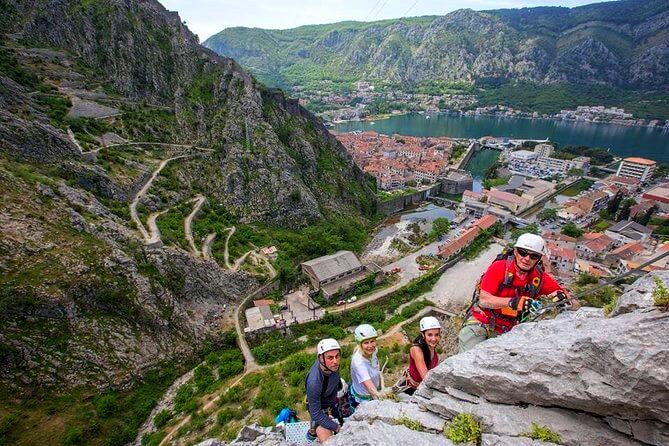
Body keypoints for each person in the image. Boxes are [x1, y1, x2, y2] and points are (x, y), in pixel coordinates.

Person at [458, 233, 581, 353]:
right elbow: (484, 300)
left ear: (538, 259)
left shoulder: (539, 278)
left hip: (507, 330)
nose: (526, 259)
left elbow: (576, 305)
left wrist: (565, 301)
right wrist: (513, 302)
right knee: (466, 360)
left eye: (533, 256)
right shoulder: (499, 268)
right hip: (481, 323)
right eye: (523, 253)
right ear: (516, 252)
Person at [305, 338, 342, 442]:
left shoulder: (331, 366)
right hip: (319, 410)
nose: (335, 361)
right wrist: (337, 427)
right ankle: (312, 433)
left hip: (331, 400)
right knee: (328, 441)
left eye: (337, 356)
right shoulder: (314, 381)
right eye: (330, 357)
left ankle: (312, 431)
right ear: (321, 358)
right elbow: (316, 414)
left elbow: (333, 378)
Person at [405, 316, 441, 395]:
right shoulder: (417, 350)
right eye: (430, 335)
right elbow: (426, 378)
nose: (434, 338)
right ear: (423, 334)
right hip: (412, 390)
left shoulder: (432, 347)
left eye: (436, 334)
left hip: (423, 388)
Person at [350, 324, 381, 403]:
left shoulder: (374, 351)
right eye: (366, 343)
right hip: (363, 399)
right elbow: (370, 388)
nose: (370, 346)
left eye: (372, 341)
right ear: (360, 344)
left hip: (375, 391)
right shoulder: (358, 362)